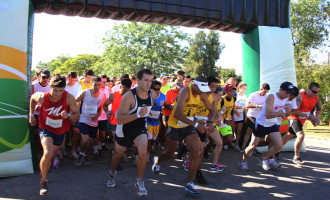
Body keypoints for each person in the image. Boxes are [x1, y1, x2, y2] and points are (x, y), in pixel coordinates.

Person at [152, 76, 216, 194]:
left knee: (197, 151)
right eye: (200, 88)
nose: (203, 91)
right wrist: (196, 125)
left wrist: (210, 121)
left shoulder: (201, 93)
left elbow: (212, 110)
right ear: (194, 85)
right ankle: (157, 161)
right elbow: (177, 114)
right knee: (170, 153)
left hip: (188, 125)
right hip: (175, 125)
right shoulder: (186, 91)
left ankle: (189, 184)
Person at [106, 69, 157, 196]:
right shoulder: (129, 96)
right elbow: (119, 119)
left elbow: (151, 104)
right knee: (117, 155)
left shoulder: (153, 94)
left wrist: (148, 112)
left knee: (143, 151)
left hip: (139, 128)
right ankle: (112, 174)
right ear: (138, 81)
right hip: (124, 128)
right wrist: (138, 114)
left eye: (150, 81)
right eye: (145, 80)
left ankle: (139, 180)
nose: (148, 83)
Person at [29, 74, 80, 195]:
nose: (57, 94)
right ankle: (43, 181)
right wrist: (31, 115)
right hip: (45, 127)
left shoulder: (69, 98)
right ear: (50, 87)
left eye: (61, 90)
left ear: (64, 88)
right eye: (55, 90)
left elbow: (77, 115)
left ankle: (45, 168)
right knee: (48, 152)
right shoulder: (42, 97)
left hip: (60, 130)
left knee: (52, 153)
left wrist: (68, 116)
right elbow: (32, 98)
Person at [239, 82, 294, 171]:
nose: (288, 94)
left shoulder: (287, 97)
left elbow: (286, 109)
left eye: (289, 93)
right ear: (280, 90)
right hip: (262, 123)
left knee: (279, 145)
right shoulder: (271, 97)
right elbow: (268, 115)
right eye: (286, 92)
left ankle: (265, 157)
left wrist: (286, 112)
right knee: (253, 146)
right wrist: (280, 113)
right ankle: (243, 161)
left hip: (273, 124)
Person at [284, 82, 322, 165]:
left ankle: (275, 150)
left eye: (317, 92)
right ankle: (296, 157)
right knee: (301, 135)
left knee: (289, 135)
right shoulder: (300, 96)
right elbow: (294, 111)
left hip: (302, 119)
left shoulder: (316, 98)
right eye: (314, 92)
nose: (315, 94)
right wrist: (309, 116)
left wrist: (316, 117)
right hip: (294, 118)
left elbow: (319, 109)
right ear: (308, 89)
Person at [75, 76, 106, 165]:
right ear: (91, 84)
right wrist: (76, 112)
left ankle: (84, 155)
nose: (97, 87)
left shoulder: (102, 95)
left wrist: (97, 115)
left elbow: (100, 108)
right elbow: (74, 101)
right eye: (95, 85)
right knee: (85, 139)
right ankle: (81, 154)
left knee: (91, 141)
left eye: (99, 85)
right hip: (83, 119)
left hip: (94, 122)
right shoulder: (85, 92)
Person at [241, 83, 270, 151]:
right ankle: (244, 147)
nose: (264, 93)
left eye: (266, 92)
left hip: (261, 117)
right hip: (252, 115)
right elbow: (247, 105)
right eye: (264, 92)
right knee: (251, 130)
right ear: (260, 89)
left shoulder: (267, 96)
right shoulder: (253, 95)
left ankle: (252, 146)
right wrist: (258, 106)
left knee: (255, 132)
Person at [31, 69, 51, 153]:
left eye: (47, 77)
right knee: (36, 132)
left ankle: (45, 150)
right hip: (36, 113)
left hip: (47, 113)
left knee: (47, 133)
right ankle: (38, 150)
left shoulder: (50, 86)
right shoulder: (34, 85)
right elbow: (31, 98)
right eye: (43, 77)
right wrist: (35, 106)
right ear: (39, 76)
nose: (45, 79)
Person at [146, 80, 166, 160]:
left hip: (156, 122)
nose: (157, 91)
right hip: (147, 121)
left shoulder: (163, 96)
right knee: (149, 139)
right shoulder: (147, 96)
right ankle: (146, 155)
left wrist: (170, 107)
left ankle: (151, 147)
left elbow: (166, 105)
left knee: (153, 140)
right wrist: (150, 104)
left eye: (158, 89)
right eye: (155, 89)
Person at [220, 84, 239, 149]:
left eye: (233, 91)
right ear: (226, 92)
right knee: (216, 139)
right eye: (230, 91)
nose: (232, 93)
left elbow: (230, 108)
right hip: (218, 121)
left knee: (229, 140)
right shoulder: (221, 99)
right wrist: (224, 120)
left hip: (226, 121)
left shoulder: (233, 98)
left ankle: (218, 145)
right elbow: (217, 112)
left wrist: (233, 115)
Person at [97, 74, 111, 156]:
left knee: (103, 132)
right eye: (102, 81)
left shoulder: (109, 90)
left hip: (104, 115)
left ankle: (102, 144)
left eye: (105, 81)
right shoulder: (96, 89)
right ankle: (96, 147)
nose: (104, 83)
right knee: (96, 133)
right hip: (95, 115)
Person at [232, 82, 248, 151]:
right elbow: (234, 106)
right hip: (235, 116)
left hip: (241, 116)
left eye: (245, 89)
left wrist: (246, 116)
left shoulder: (245, 96)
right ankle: (228, 143)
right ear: (240, 88)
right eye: (243, 88)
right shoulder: (236, 95)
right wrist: (242, 107)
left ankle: (236, 144)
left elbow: (246, 107)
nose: (244, 90)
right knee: (232, 131)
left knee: (239, 131)